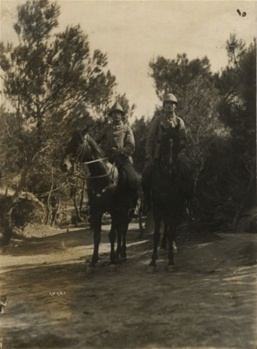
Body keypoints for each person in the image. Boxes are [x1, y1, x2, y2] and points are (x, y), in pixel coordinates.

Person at [141, 93, 192, 212]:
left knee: (188, 171)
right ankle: (146, 201)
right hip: (158, 155)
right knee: (145, 174)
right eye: (167, 104)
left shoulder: (179, 121)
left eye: (172, 104)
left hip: (176, 155)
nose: (170, 106)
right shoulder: (158, 121)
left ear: (175, 106)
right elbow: (150, 139)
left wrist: (181, 151)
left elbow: (183, 139)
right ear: (164, 106)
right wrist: (149, 154)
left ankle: (189, 202)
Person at [95, 102, 139, 217]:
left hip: (124, 160)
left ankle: (134, 206)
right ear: (111, 116)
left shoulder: (126, 129)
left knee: (133, 179)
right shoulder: (106, 129)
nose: (116, 116)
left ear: (122, 115)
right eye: (113, 114)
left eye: (118, 113)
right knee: (96, 178)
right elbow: (95, 141)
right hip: (108, 160)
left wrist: (121, 152)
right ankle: (95, 208)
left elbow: (131, 145)